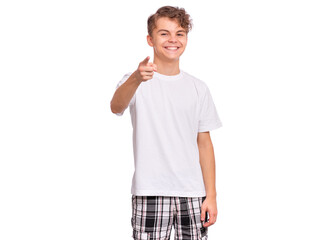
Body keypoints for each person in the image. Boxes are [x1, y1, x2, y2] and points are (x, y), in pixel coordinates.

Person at [110, 6, 222, 240]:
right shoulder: (136, 80)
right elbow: (116, 107)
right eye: (164, 33)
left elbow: (204, 144)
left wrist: (211, 195)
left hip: (192, 193)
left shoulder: (198, 88)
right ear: (150, 39)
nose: (173, 40)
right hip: (149, 190)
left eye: (179, 33)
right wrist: (136, 78)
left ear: (186, 39)